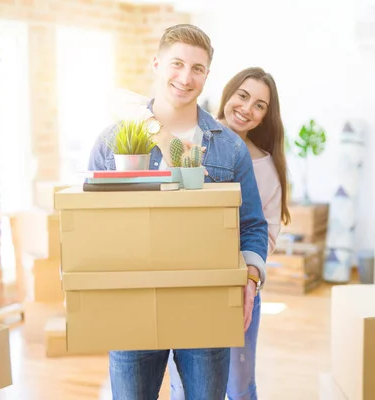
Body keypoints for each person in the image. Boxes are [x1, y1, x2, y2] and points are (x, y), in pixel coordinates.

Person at [87, 24, 269, 400]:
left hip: (204, 311)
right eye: (177, 64)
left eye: (197, 68)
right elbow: (90, 224)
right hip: (132, 312)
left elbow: (251, 225)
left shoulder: (229, 149)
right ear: (156, 63)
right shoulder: (112, 141)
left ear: (207, 75)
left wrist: (250, 280)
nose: (186, 78)